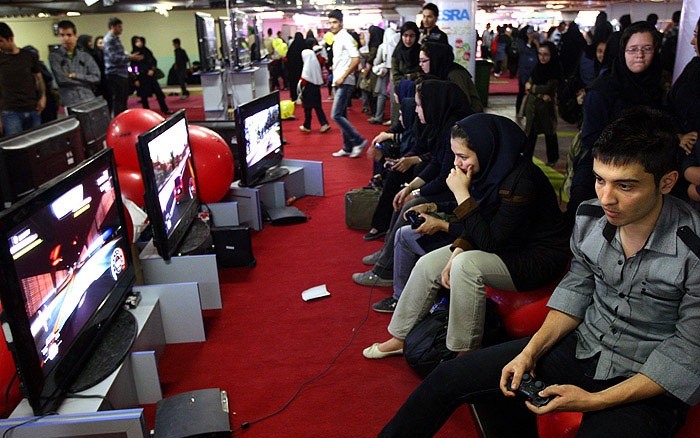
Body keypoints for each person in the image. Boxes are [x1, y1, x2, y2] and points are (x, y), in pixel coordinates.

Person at [378, 107, 700, 438]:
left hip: (646, 379)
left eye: (626, 186)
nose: (606, 198)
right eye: (600, 180)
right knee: (448, 378)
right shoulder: (589, 218)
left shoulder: (693, 249)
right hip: (584, 347)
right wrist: (529, 353)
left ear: (666, 182)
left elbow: (687, 354)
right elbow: (575, 293)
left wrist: (594, 400)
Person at [365, 112, 569, 340]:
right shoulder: (491, 172)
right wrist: (456, 249)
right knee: (428, 263)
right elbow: (481, 222)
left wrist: (461, 195)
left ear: (485, 150)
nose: (456, 163)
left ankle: (464, 349)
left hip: (535, 257)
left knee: (464, 265)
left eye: (462, 156)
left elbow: (490, 241)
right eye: (454, 155)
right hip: (507, 246)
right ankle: (399, 336)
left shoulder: (521, 181)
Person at [353, 79, 470, 286]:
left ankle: (385, 269)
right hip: (449, 186)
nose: (415, 110)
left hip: (456, 190)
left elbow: (445, 176)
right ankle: (387, 251)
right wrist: (410, 187)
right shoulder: (442, 125)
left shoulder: (453, 129)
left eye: (418, 105)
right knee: (403, 193)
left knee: (411, 203)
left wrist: (416, 193)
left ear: (432, 104)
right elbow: (435, 162)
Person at [567, 21, 664, 228]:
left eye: (647, 49)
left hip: (645, 171)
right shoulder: (602, 90)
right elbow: (592, 141)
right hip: (602, 169)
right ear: (622, 52)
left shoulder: (658, 88)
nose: (640, 55)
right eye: (633, 49)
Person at [327, 9, 366, 158]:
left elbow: (356, 58)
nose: (332, 25)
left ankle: (358, 140)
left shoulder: (345, 38)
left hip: (344, 81)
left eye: (335, 22)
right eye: (330, 22)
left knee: (336, 115)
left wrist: (343, 76)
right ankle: (347, 147)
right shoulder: (337, 38)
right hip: (339, 80)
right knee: (342, 114)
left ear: (341, 23)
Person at [669, 16, 700, 202]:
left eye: (697, 35)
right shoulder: (694, 68)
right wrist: (679, 136)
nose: (692, 41)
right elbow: (673, 109)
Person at [0, 22, 46, 137]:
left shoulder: (28, 56)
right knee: (16, 144)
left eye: (1, 41)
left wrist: (43, 97)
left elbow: (39, 78)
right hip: (10, 111)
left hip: (32, 108)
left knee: (36, 142)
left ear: (10, 39)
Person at [523, 41, 562, 166]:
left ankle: (552, 158)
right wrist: (538, 92)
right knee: (531, 133)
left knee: (549, 132)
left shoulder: (554, 70)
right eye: (540, 54)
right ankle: (526, 158)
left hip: (546, 108)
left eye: (546, 54)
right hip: (533, 106)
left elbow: (548, 88)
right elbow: (528, 84)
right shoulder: (537, 68)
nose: (542, 57)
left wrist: (533, 88)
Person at [418, 42, 483, 114]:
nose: (420, 64)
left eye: (424, 61)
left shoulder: (455, 75)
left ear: (435, 60)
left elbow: (462, 103)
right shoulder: (439, 72)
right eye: (420, 61)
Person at [49, 20, 100, 108]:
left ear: (75, 36)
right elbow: (61, 80)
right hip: (70, 101)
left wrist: (73, 75)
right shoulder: (54, 57)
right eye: (62, 35)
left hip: (88, 98)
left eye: (69, 35)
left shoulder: (85, 56)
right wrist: (85, 80)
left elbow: (96, 77)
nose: (66, 38)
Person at [103, 17, 143, 116]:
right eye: (119, 26)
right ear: (112, 27)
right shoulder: (109, 39)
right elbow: (113, 58)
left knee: (123, 99)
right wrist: (130, 58)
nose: (121, 29)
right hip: (115, 74)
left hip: (121, 73)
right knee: (118, 101)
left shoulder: (115, 39)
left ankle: (123, 119)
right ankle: (118, 120)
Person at [390, 22, 421, 125]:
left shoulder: (421, 51)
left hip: (418, 90)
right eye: (405, 35)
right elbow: (395, 74)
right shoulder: (397, 52)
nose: (408, 39)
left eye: (411, 36)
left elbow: (422, 72)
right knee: (398, 117)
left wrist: (409, 78)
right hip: (400, 89)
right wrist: (410, 77)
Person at [131, 36, 170, 114]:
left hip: (150, 76)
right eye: (137, 42)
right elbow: (133, 67)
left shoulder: (147, 51)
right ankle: (147, 112)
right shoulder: (133, 54)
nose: (139, 43)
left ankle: (165, 109)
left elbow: (153, 61)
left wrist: (152, 69)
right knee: (144, 96)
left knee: (158, 93)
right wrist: (135, 78)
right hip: (141, 77)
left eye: (140, 41)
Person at [298, 48, 331, 134]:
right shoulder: (315, 63)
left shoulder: (307, 66)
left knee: (307, 108)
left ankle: (307, 126)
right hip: (316, 87)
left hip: (308, 88)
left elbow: (304, 79)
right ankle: (323, 123)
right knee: (317, 107)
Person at [368, 26, 396, 124]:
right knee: (393, 97)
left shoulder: (382, 46)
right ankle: (393, 118)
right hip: (394, 72)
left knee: (381, 95)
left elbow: (376, 61)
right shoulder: (397, 45)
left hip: (383, 73)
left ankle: (378, 116)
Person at [515, 25, 539, 117]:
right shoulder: (521, 42)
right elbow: (523, 51)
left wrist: (537, 45)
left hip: (533, 69)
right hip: (524, 70)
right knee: (521, 91)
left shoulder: (535, 42)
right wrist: (529, 41)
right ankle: (518, 111)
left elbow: (539, 53)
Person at [92, 35, 110, 109]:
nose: (102, 45)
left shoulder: (109, 54)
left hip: (108, 79)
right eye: (100, 43)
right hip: (99, 80)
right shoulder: (94, 55)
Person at [287, 32, 305, 102]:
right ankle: (303, 96)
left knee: (294, 82)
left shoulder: (292, 47)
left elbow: (288, 57)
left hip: (293, 69)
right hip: (302, 69)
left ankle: (294, 96)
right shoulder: (304, 46)